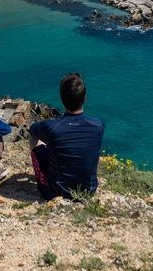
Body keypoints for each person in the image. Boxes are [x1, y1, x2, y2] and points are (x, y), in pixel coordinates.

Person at [29, 73, 105, 201]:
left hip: (54, 193)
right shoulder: (98, 126)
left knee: (39, 140)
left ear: (62, 99)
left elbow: (32, 131)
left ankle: (47, 176)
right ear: (84, 98)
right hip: (88, 192)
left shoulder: (53, 128)